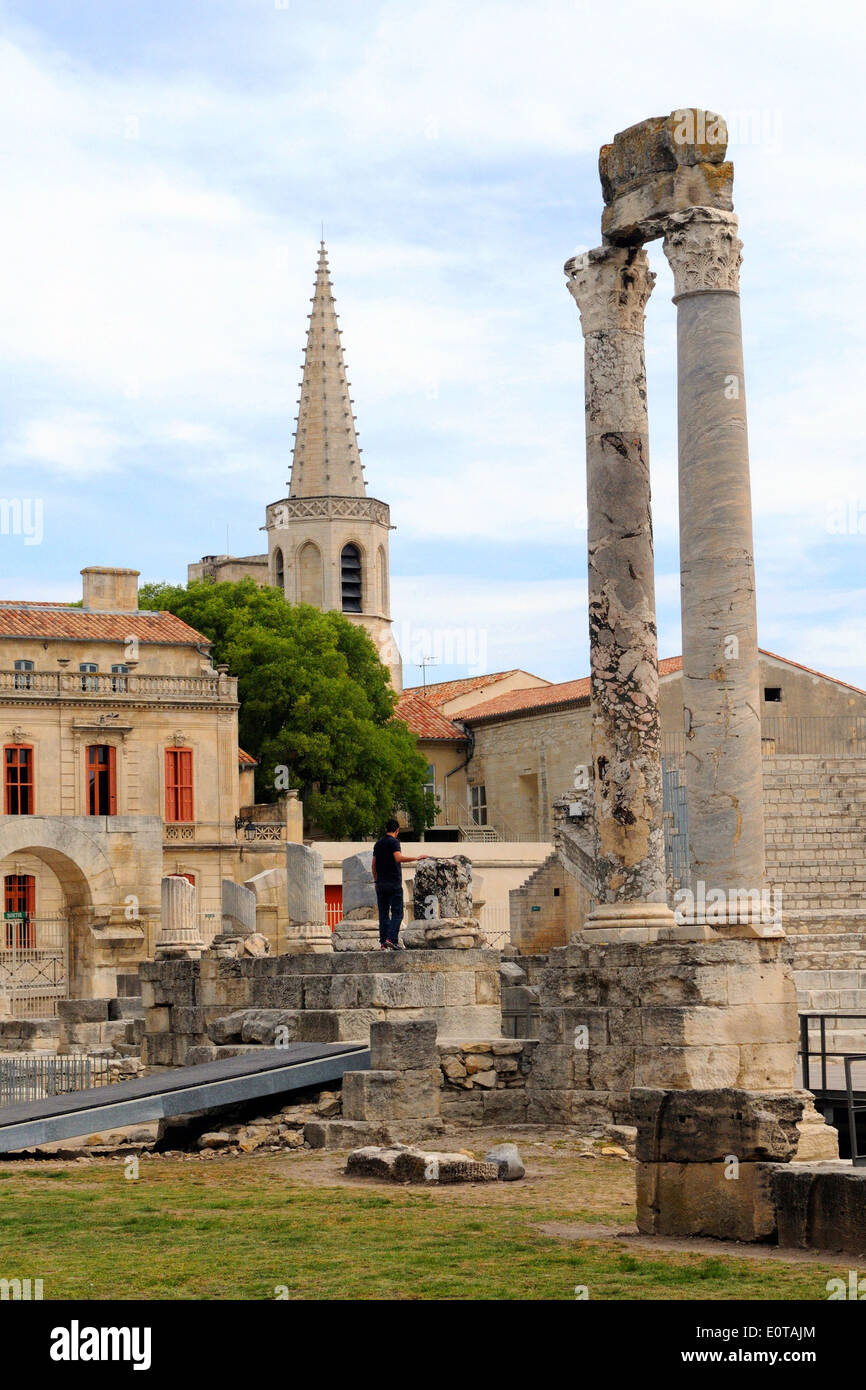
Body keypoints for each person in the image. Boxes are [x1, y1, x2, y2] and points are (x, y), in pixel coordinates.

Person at [371, 818, 429, 950]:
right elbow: (398, 858)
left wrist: (376, 880)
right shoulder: (394, 842)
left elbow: (373, 865)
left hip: (381, 884)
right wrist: (416, 858)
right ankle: (391, 939)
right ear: (397, 830)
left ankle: (383, 943)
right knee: (397, 913)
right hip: (393, 883)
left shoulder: (378, 844)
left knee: (383, 914)